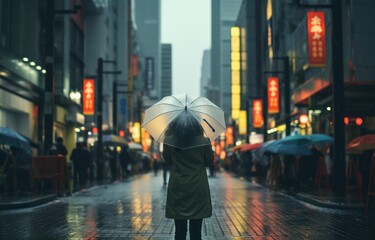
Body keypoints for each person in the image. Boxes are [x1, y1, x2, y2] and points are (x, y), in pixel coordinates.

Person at [162, 110, 214, 240]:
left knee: (179, 232)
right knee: (196, 232)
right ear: (196, 125)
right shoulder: (204, 141)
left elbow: (168, 161)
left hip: (178, 188)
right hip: (198, 187)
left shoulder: (169, 141)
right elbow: (209, 162)